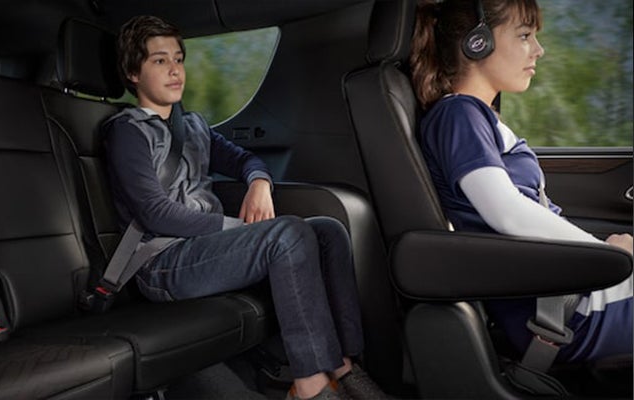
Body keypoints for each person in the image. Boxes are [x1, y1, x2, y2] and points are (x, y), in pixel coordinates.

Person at [103, 15, 388, 400]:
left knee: (328, 231)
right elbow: (154, 212)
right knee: (287, 235)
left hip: (203, 250)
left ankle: (343, 365)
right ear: (133, 73)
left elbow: (245, 160)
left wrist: (259, 183)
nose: (174, 69)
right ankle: (309, 385)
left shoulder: (194, 127)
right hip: (163, 260)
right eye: (159, 60)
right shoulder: (127, 131)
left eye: (178, 59)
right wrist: (234, 227)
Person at [410, 0, 633, 365]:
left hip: (568, 291)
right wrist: (607, 256)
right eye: (525, 36)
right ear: (477, 43)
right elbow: (507, 213)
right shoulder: (459, 114)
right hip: (566, 311)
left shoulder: (477, 117)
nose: (539, 50)